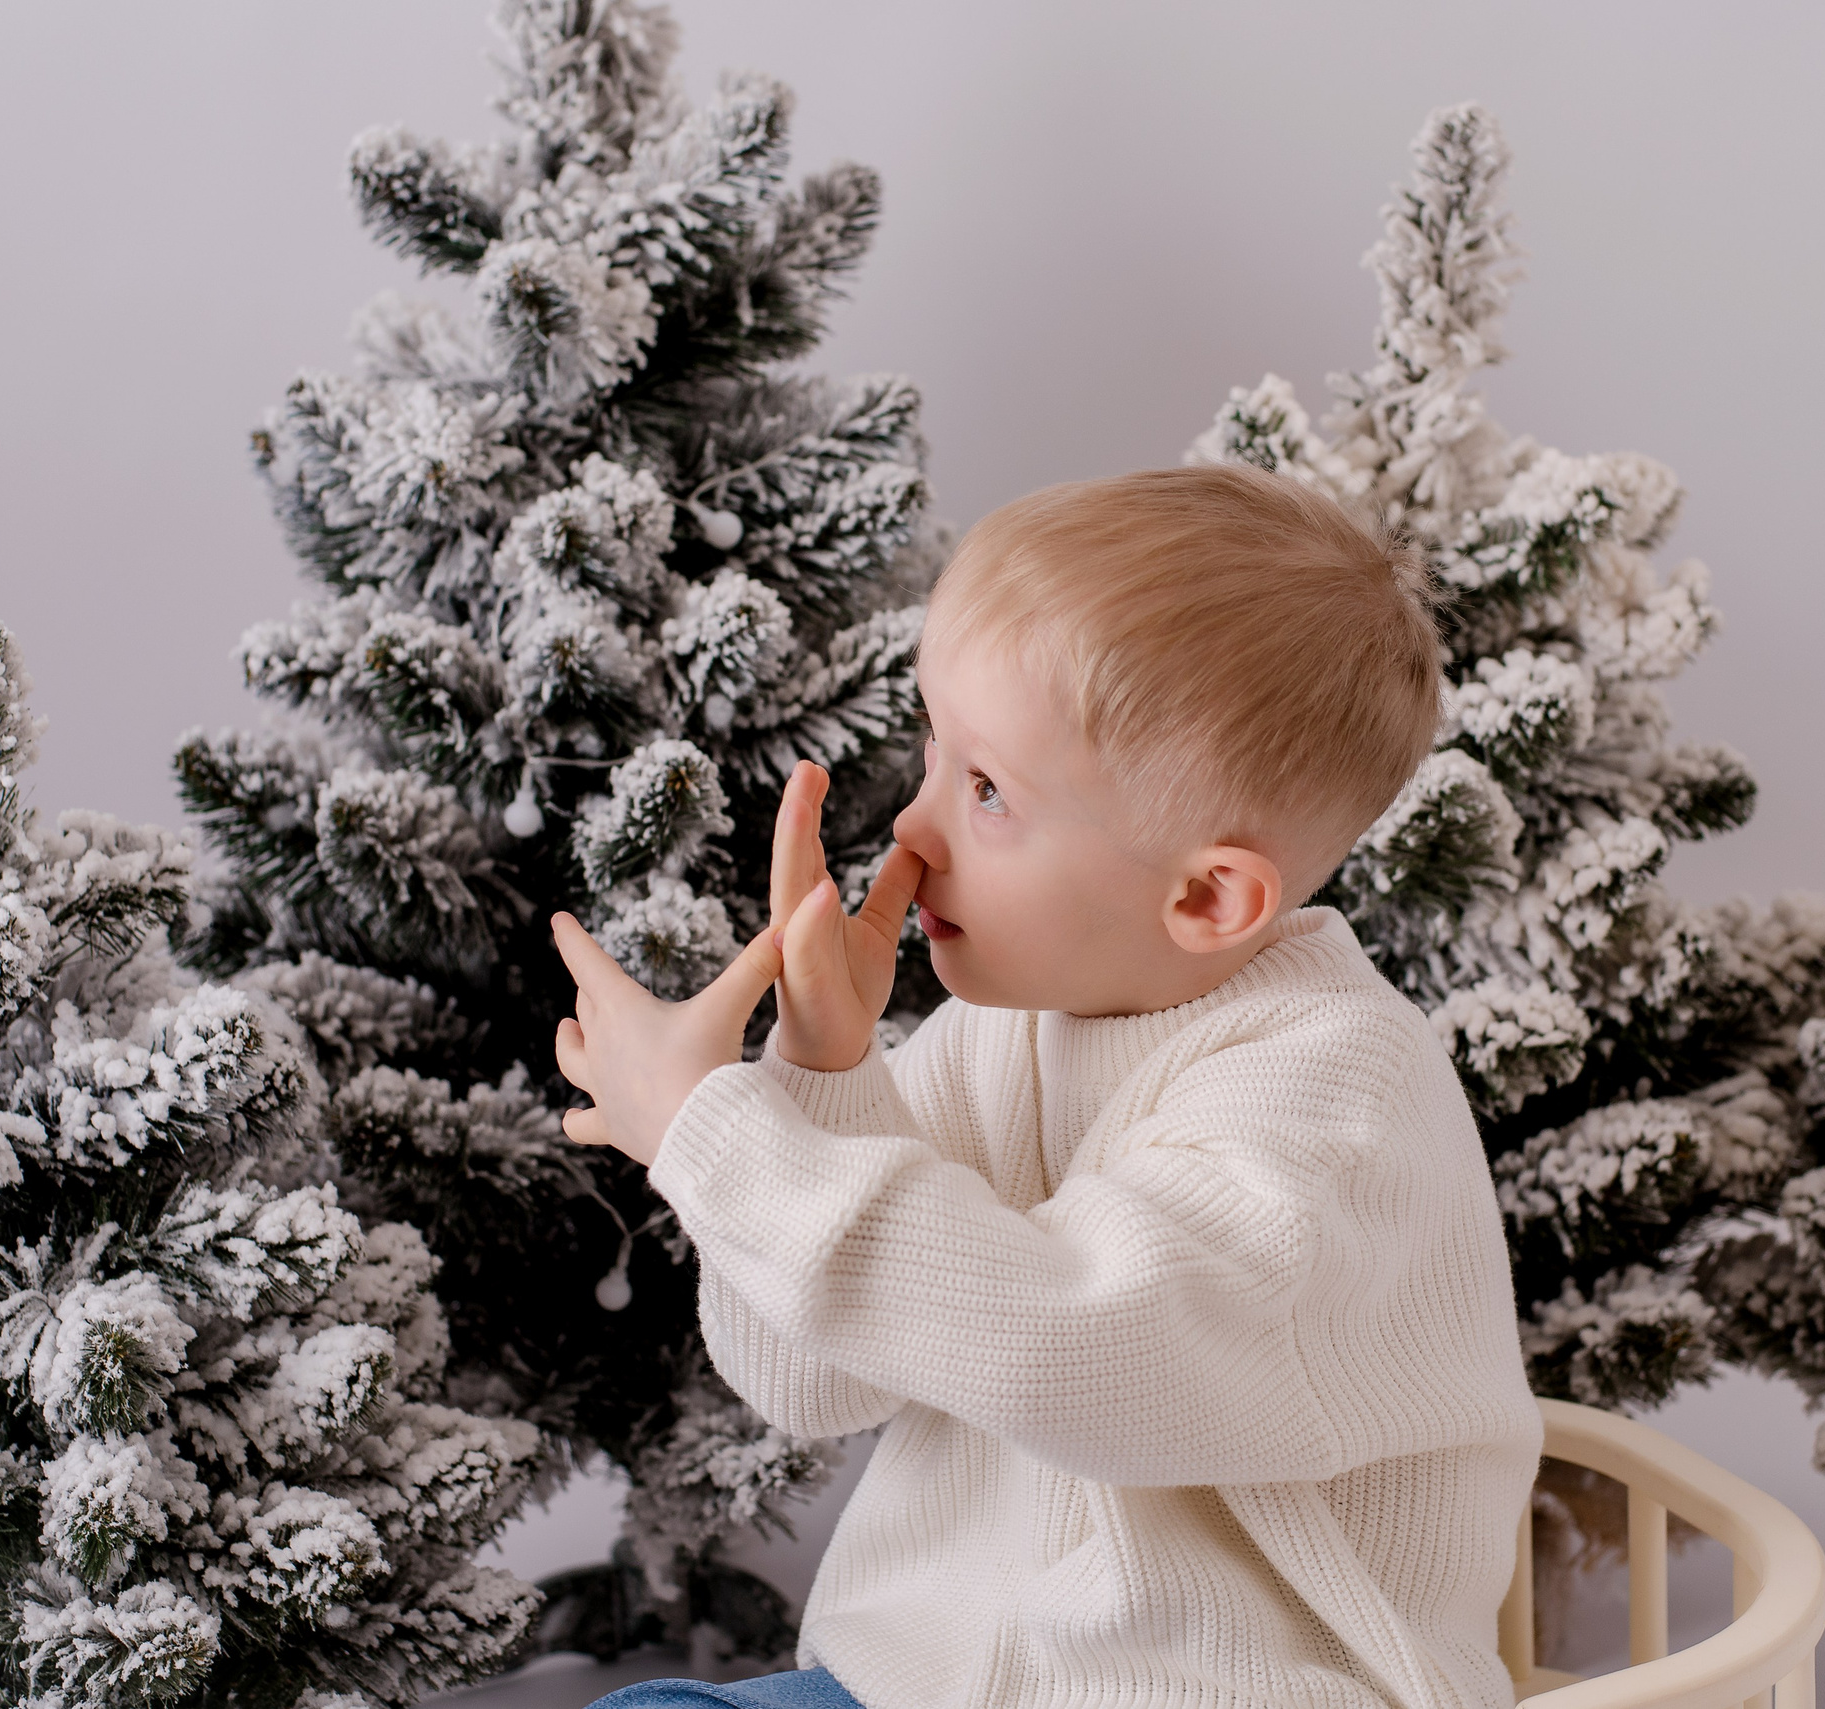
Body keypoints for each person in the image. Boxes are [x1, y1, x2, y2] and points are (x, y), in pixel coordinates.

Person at [551, 462, 1541, 1709]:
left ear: (1202, 898)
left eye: (986, 790)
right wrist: (823, 1071)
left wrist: (715, 1134)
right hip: (920, 1682)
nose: (911, 828)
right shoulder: (1005, 1033)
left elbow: (1064, 1342)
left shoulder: (1333, 1100)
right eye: (933, 749)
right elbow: (815, 1379)